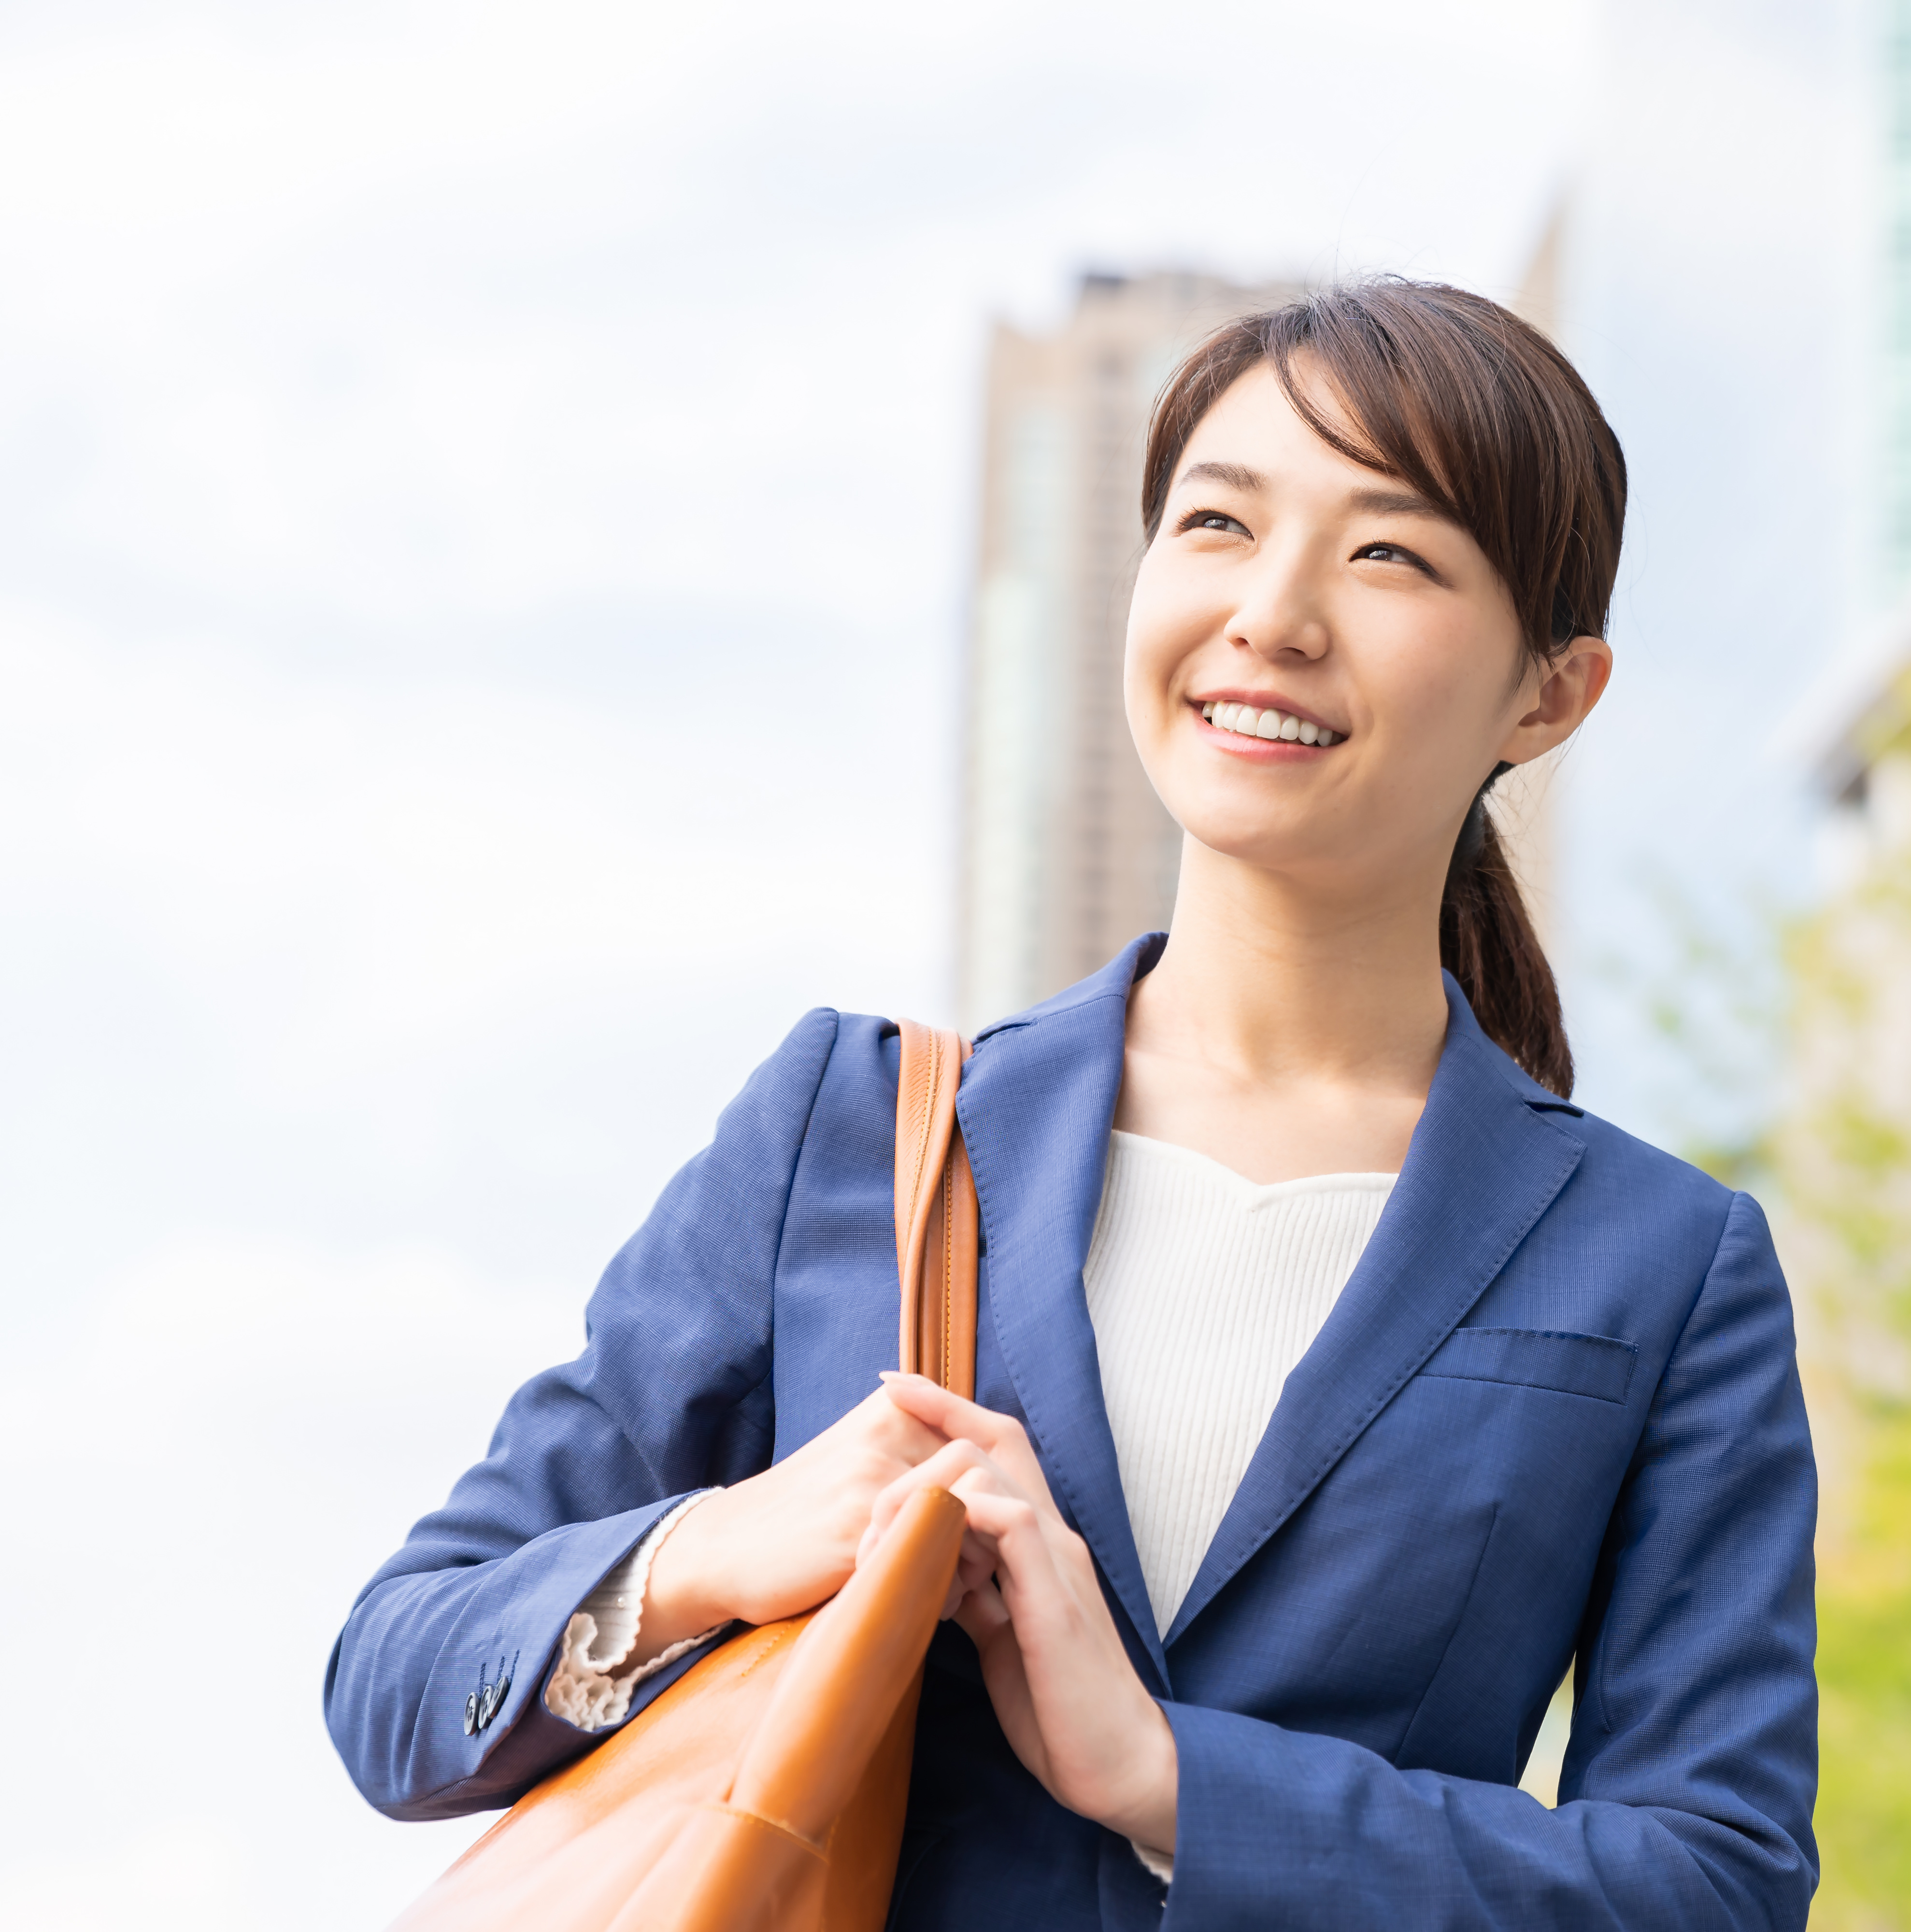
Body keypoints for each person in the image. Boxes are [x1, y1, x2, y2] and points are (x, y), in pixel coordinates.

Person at [326, 279, 1819, 1930]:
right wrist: (719, 1549)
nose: (1274, 612)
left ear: (1550, 693)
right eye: (1217, 525)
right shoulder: (855, 1126)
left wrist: (1175, 1782)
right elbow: (398, 1678)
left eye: (1387, 554)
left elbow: (1717, 1885)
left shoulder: (1662, 1269)